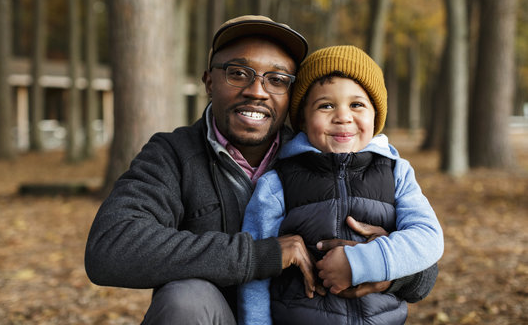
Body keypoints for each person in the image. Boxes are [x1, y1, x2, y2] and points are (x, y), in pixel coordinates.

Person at [85, 16, 438, 325]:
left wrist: (383, 268)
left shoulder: (325, 152)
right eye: (238, 73)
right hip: (214, 317)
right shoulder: (173, 155)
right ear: (209, 81)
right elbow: (111, 248)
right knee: (185, 299)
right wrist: (260, 256)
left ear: (292, 95)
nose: (257, 91)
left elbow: (425, 267)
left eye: (277, 79)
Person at [238, 45, 444, 325]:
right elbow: (256, 274)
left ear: (375, 115)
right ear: (303, 120)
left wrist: (362, 262)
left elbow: (428, 237)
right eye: (326, 105)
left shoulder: (397, 173)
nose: (343, 116)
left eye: (357, 104)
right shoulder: (277, 183)